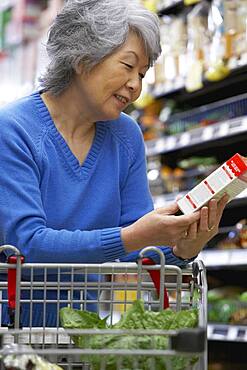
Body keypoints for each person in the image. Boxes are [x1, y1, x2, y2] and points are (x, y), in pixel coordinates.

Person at [0, 0, 228, 327]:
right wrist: (131, 237)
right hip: (12, 332)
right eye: (127, 66)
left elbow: (137, 252)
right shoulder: (13, 129)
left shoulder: (126, 136)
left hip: (85, 335)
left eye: (143, 74)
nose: (136, 85)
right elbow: (27, 245)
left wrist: (181, 248)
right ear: (83, 58)